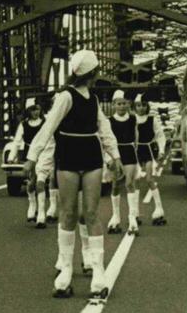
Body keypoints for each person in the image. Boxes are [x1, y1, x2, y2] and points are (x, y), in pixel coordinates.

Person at [24, 50, 121, 299]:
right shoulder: (66, 97)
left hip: (90, 155)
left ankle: (99, 273)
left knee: (91, 212)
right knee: (68, 213)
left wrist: (114, 156)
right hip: (68, 155)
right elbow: (49, 126)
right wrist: (32, 158)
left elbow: (104, 128)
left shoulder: (94, 99)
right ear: (92, 73)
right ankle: (65, 270)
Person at [106, 90, 141, 234]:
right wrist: (108, 158)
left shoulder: (133, 119)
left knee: (129, 183)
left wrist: (135, 150)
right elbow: (106, 140)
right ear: (114, 105)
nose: (121, 106)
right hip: (115, 154)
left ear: (128, 104)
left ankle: (132, 218)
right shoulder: (109, 121)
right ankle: (116, 217)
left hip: (129, 152)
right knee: (115, 186)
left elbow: (137, 137)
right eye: (119, 104)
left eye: (124, 103)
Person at [9, 97, 47, 226]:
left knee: (40, 183)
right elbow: (17, 141)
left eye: (37, 109)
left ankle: (41, 214)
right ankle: (32, 204)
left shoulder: (45, 123)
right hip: (30, 155)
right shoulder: (23, 124)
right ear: (28, 111)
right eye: (32, 109)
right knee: (31, 183)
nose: (35, 112)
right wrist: (11, 157)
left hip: (44, 154)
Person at [133, 95, 168, 225]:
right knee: (135, 180)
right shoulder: (132, 120)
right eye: (138, 105)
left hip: (148, 150)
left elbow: (160, 135)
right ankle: (135, 211)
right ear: (134, 107)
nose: (140, 108)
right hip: (136, 151)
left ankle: (159, 209)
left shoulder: (152, 120)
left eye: (143, 105)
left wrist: (161, 150)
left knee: (149, 179)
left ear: (147, 106)